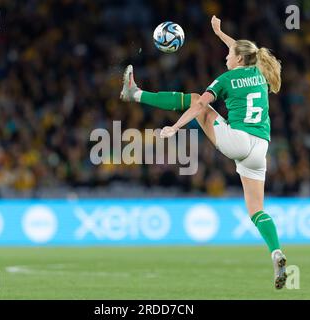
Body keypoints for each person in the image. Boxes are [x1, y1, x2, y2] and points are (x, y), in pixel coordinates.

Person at [120, 16, 287, 289]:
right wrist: (221, 33)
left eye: (228, 54)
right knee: (257, 210)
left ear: (238, 60)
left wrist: (175, 128)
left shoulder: (226, 79)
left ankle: (135, 94)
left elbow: (199, 109)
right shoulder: (258, 71)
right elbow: (243, 48)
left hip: (238, 141)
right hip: (260, 148)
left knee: (196, 99)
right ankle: (276, 251)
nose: (225, 56)